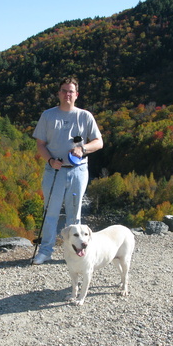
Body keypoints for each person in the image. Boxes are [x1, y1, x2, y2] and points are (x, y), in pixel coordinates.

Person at [31, 77, 103, 264]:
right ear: (58, 93)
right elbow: (40, 144)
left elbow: (99, 142)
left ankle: (74, 253)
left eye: (71, 91)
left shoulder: (85, 116)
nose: (67, 94)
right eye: (64, 90)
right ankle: (45, 251)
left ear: (76, 95)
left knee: (74, 214)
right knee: (51, 212)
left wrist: (82, 149)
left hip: (78, 171)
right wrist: (50, 160)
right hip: (54, 170)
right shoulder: (48, 115)